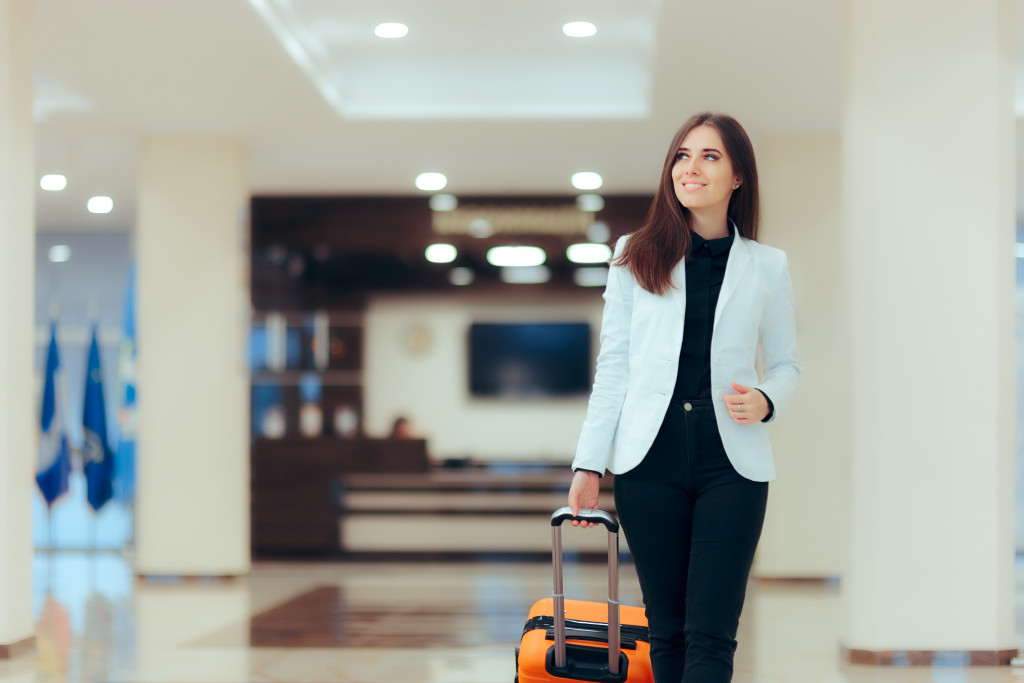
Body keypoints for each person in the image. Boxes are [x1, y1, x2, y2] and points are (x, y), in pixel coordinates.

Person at [567, 112, 801, 682]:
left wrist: (767, 398)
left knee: (711, 634)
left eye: (709, 157)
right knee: (666, 632)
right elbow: (614, 367)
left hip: (732, 464)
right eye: (682, 156)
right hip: (650, 460)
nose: (690, 168)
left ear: (738, 176)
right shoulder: (633, 253)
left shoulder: (767, 266)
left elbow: (788, 364)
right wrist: (588, 462)